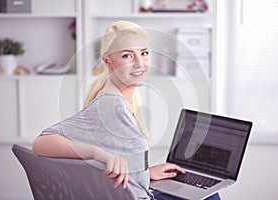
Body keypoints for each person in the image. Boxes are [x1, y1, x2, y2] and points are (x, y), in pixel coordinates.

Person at [32, 20, 220, 200]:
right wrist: (97, 153)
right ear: (108, 61)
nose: (139, 62)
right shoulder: (111, 106)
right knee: (210, 195)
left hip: (139, 190)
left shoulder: (121, 98)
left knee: (205, 193)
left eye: (144, 53)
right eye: (127, 55)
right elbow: (41, 143)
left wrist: (146, 173)